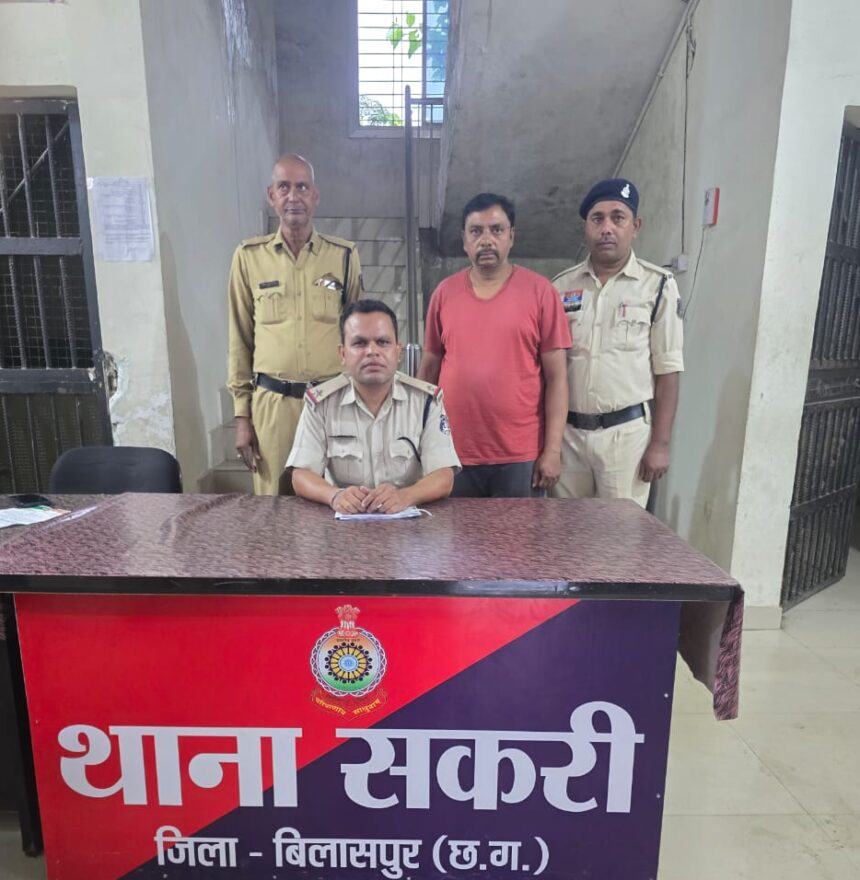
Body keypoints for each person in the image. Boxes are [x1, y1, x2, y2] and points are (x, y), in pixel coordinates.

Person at [417, 193, 570, 498]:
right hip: (453, 451)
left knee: (519, 531)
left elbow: (557, 379)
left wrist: (552, 451)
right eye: (476, 231)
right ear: (464, 240)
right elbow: (429, 370)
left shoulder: (541, 293)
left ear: (511, 237)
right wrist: (419, 437)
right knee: (454, 530)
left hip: (520, 455)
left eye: (496, 230)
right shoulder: (444, 294)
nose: (486, 240)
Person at [227, 153, 363, 495]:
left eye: (302, 187)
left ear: (315, 196)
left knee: (336, 500)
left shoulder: (343, 257)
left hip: (331, 404)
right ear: (271, 195)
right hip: (273, 407)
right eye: (284, 187)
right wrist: (242, 417)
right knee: (274, 507)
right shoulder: (249, 258)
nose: (293, 196)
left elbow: (359, 338)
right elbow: (240, 340)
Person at [550, 178, 684, 506]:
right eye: (597, 219)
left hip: (626, 439)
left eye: (618, 218)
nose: (607, 228)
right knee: (566, 531)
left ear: (635, 226)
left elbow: (668, 371)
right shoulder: (559, 288)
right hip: (569, 436)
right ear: (586, 228)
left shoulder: (658, 286)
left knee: (620, 533)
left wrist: (661, 444)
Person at [287, 300, 460, 514]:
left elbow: (444, 476)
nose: (372, 351)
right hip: (345, 522)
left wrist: (406, 496)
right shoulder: (321, 404)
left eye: (382, 342)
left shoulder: (425, 402)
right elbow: (301, 474)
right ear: (342, 354)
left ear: (398, 351)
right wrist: (335, 495)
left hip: (408, 523)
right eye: (359, 343)